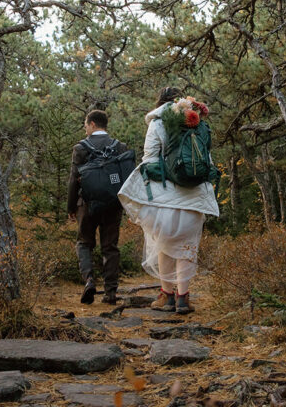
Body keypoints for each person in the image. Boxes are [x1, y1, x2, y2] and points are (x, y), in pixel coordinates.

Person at [118, 87, 219, 314]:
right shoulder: (198, 123)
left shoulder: (157, 122)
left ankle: (167, 297)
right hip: (193, 196)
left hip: (165, 198)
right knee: (187, 247)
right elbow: (207, 159)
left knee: (164, 245)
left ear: (160, 102)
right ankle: (184, 299)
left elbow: (149, 158)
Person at [68, 109, 129, 305]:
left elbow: (73, 181)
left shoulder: (80, 148)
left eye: (86, 124)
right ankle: (110, 293)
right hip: (113, 204)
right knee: (110, 247)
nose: (85, 128)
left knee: (84, 243)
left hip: (87, 204)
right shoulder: (120, 146)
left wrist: (71, 207)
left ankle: (89, 280)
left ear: (93, 124)